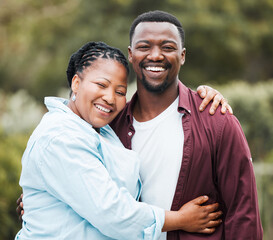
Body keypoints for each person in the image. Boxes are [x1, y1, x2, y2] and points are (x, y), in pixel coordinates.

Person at [15, 41, 224, 240]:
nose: (110, 98)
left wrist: (201, 96)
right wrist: (180, 219)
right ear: (76, 83)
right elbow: (111, 212)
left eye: (120, 92)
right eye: (101, 85)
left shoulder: (102, 131)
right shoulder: (61, 138)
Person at [110, 10, 263, 240]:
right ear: (131, 55)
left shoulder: (217, 120)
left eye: (167, 47)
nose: (155, 55)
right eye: (144, 47)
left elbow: (244, 214)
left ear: (182, 56)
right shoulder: (110, 128)